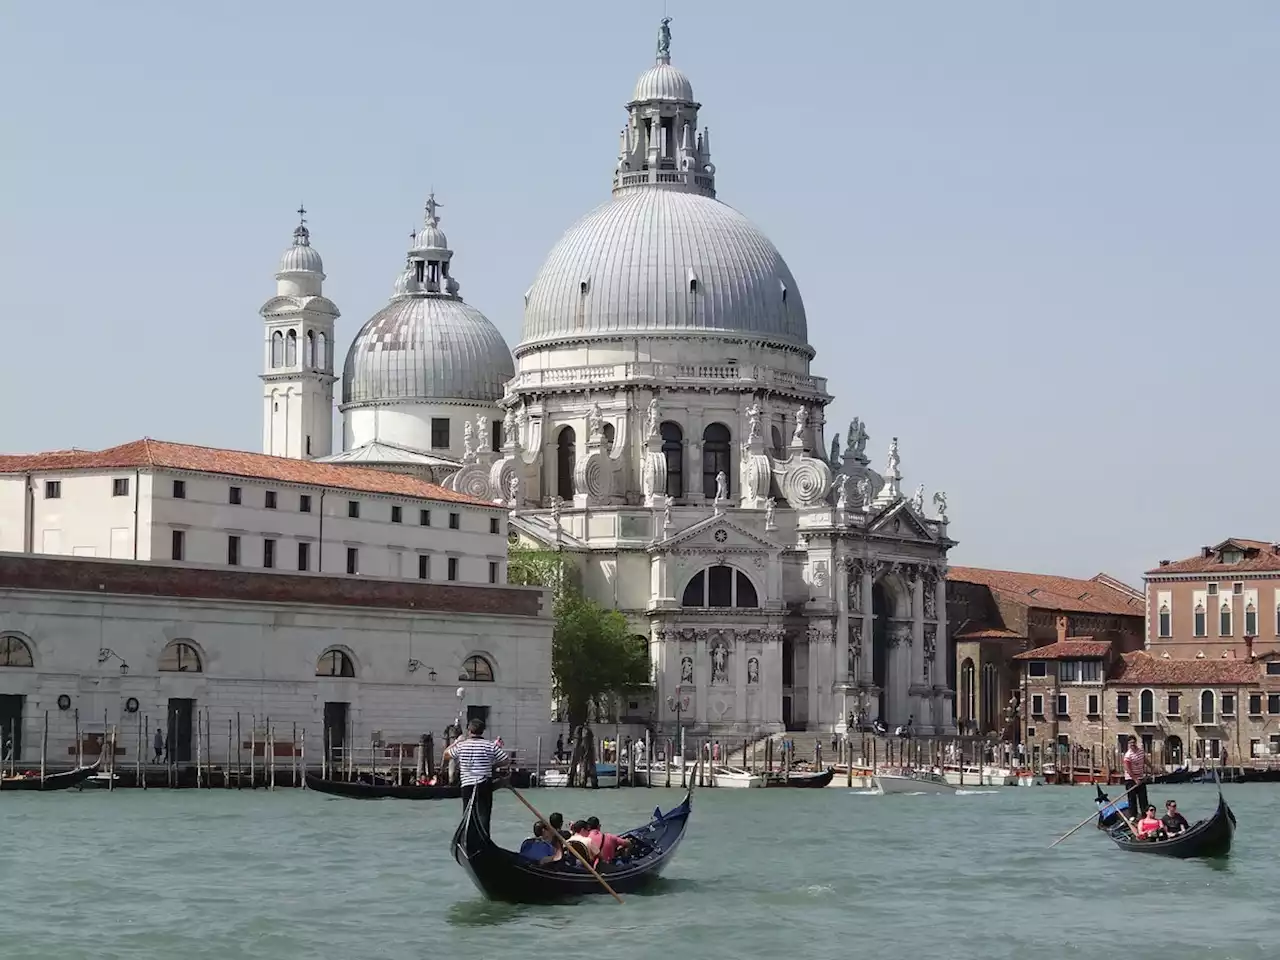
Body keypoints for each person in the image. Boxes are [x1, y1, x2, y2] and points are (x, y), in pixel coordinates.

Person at [442, 718, 509, 834]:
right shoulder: (490, 746)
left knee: (468, 814)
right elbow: (506, 760)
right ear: (482, 731)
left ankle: (469, 836)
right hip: (484, 784)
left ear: (469, 730)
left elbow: (446, 755)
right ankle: (484, 838)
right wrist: (493, 766)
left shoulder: (461, 746)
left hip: (467, 785)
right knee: (484, 815)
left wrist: (455, 743)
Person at [1122, 736, 1150, 815]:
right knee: (1132, 799)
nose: (1132, 744)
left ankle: (1145, 816)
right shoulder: (1128, 755)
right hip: (1130, 779)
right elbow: (1127, 768)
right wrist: (1135, 779)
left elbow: (1144, 760)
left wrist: (1152, 767)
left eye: (1134, 742)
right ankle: (1133, 816)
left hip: (1141, 778)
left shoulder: (1141, 751)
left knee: (1143, 799)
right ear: (1128, 744)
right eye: (1131, 743)